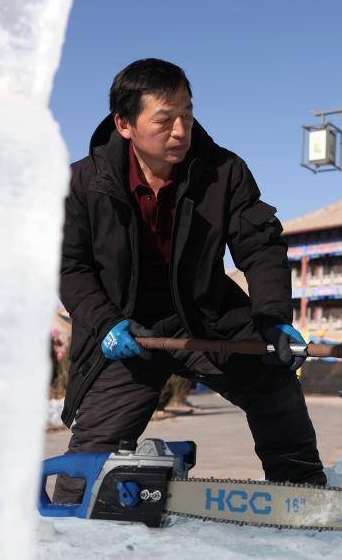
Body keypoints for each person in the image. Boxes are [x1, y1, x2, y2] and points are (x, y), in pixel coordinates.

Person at [53, 58, 325, 502]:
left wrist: (273, 316)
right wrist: (104, 324)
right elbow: (69, 266)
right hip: (128, 330)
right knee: (89, 463)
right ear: (125, 123)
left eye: (187, 114)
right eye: (164, 119)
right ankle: (70, 518)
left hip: (207, 317)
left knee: (276, 388)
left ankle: (304, 497)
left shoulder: (223, 171)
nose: (180, 130)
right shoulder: (83, 183)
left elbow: (260, 246)